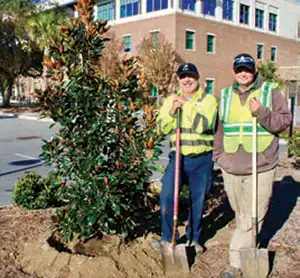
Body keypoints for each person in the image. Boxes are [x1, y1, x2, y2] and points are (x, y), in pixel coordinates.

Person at [213, 53, 292, 278]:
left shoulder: (269, 92)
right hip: (231, 166)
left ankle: (235, 263)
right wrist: (219, 157)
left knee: (250, 217)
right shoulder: (226, 95)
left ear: (254, 71)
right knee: (241, 214)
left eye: (247, 69)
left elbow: (284, 122)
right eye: (239, 69)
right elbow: (220, 128)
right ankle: (250, 247)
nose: (243, 73)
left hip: (261, 166)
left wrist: (262, 112)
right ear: (234, 72)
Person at [156, 62, 218, 253]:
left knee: (197, 200)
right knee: (167, 195)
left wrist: (187, 107)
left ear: (197, 78)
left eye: (190, 76)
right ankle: (168, 238)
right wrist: (171, 112)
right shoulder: (170, 100)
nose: (187, 80)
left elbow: (204, 124)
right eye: (183, 77)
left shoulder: (208, 100)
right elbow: (161, 128)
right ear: (178, 80)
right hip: (179, 157)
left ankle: (193, 239)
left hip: (201, 158)